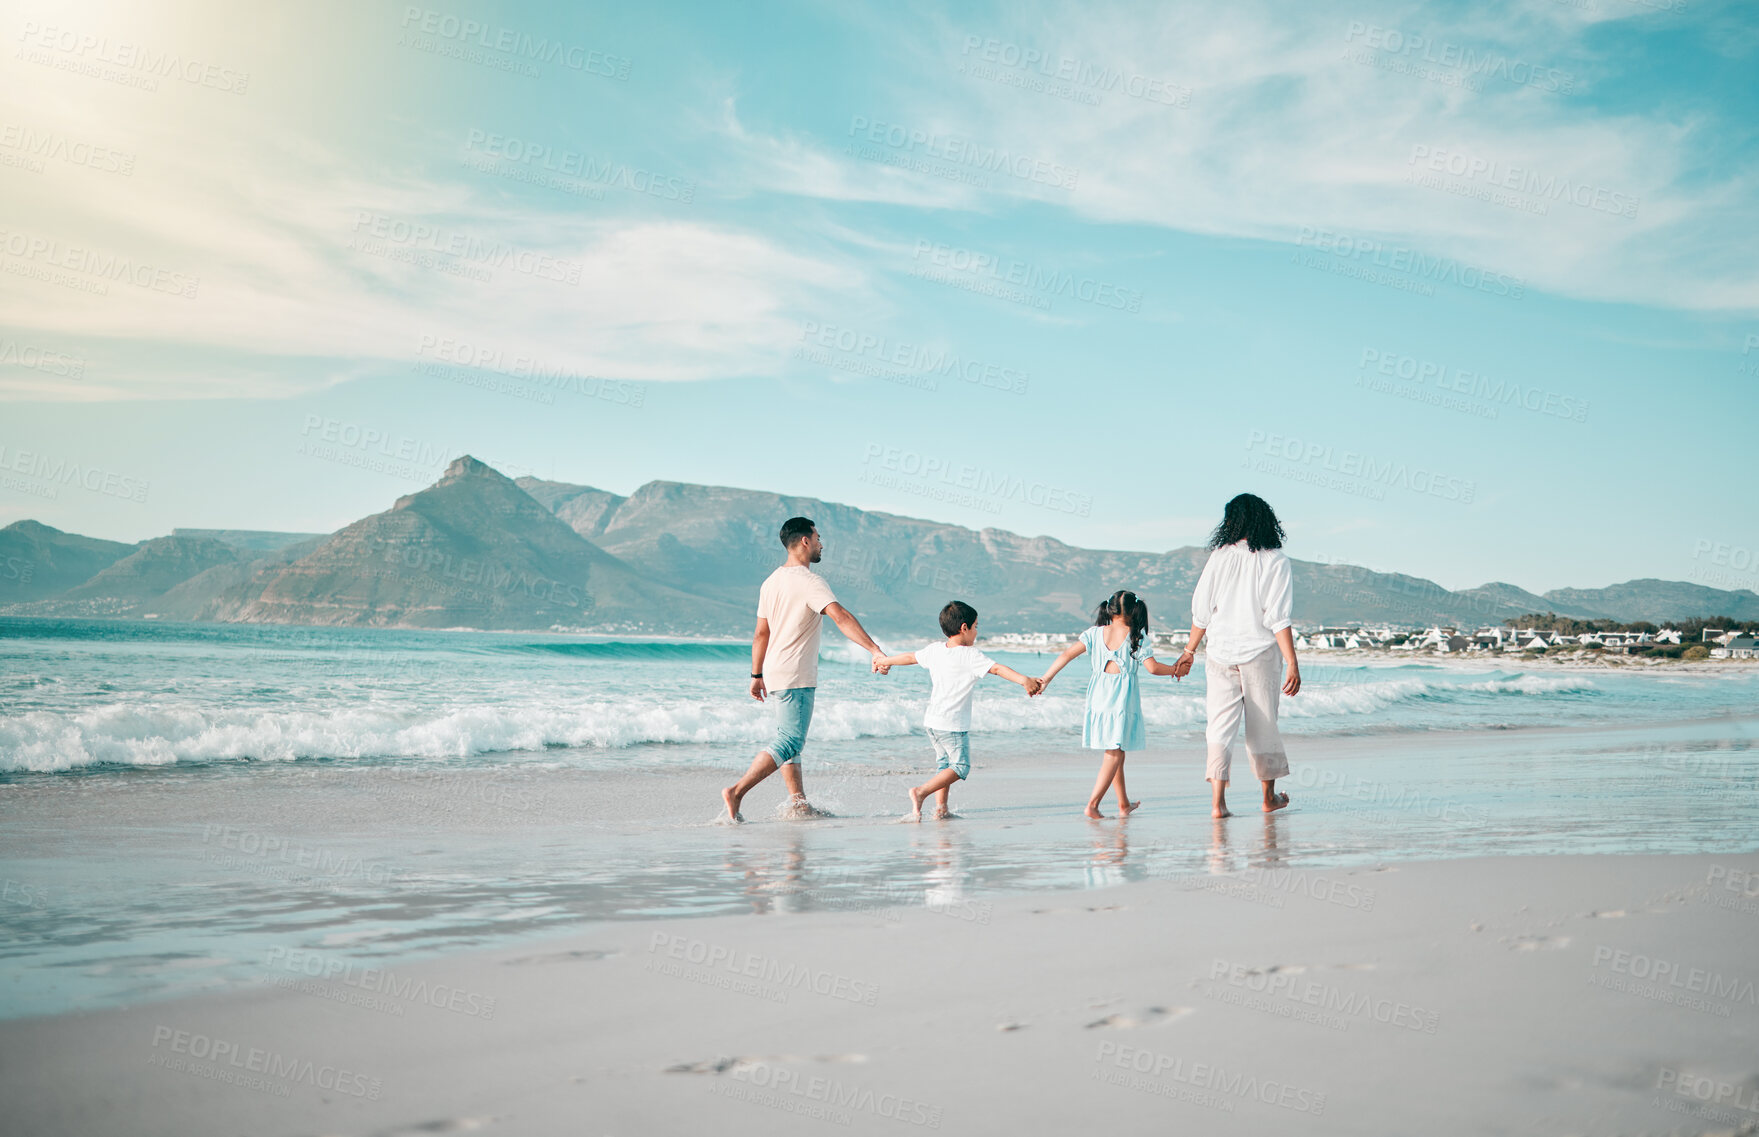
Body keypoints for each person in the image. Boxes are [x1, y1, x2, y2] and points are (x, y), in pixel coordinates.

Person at [722, 517, 891, 822]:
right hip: (796, 672)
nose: (821, 544)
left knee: (789, 739)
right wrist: (874, 650)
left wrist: (756, 675)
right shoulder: (810, 582)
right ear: (804, 541)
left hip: (775, 672)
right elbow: (840, 617)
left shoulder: (770, 582)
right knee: (789, 741)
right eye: (818, 538)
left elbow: (761, 633)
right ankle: (737, 791)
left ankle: (798, 803)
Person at [1171, 493, 1302, 818]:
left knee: (1219, 727)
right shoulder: (1275, 561)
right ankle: (1268, 799)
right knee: (1263, 726)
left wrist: (1189, 651)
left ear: (1232, 521)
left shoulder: (1220, 556)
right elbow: (1278, 617)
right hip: (1259, 655)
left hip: (1219, 653)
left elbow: (1202, 610)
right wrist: (1292, 661)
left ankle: (1218, 804)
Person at [874, 601, 1041, 820]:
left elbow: (910, 657)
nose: (976, 632)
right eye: (976, 626)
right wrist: (1025, 681)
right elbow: (998, 669)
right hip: (952, 724)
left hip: (932, 722)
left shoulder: (935, 650)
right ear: (964, 628)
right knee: (960, 767)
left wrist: (886, 660)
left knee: (944, 766)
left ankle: (941, 809)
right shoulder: (970, 655)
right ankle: (920, 792)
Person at [1038, 590, 1182, 818]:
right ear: (1135, 611)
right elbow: (1153, 668)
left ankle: (1123, 803)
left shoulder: (1094, 633)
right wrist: (1175, 670)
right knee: (1114, 753)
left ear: (1110, 609)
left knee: (1116, 750)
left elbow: (1066, 655)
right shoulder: (1136, 635)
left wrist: (1046, 679)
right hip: (1121, 701)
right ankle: (1093, 805)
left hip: (1098, 698)